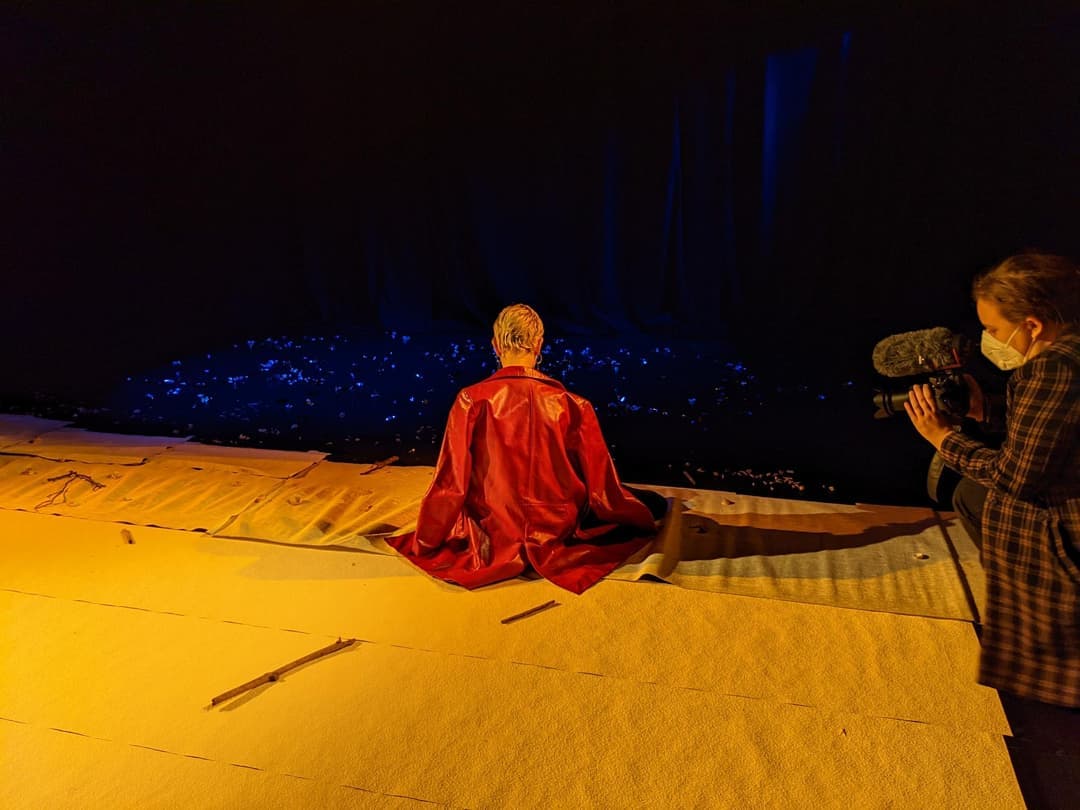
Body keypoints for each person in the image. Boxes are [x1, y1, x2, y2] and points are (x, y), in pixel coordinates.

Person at [387, 304, 665, 594]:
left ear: (495, 345)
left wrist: (426, 541)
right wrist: (635, 517)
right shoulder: (574, 405)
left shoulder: (470, 400)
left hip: (493, 532)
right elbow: (602, 488)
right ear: (539, 344)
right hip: (558, 529)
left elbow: (450, 484)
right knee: (653, 502)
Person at [905, 251, 1080, 708]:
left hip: (1067, 523)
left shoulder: (1054, 369)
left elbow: (1016, 477)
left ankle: (1041, 633)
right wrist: (986, 412)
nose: (990, 340)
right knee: (971, 494)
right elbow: (1053, 437)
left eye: (995, 329)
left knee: (993, 499)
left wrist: (943, 438)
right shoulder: (1068, 353)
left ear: (1033, 324)